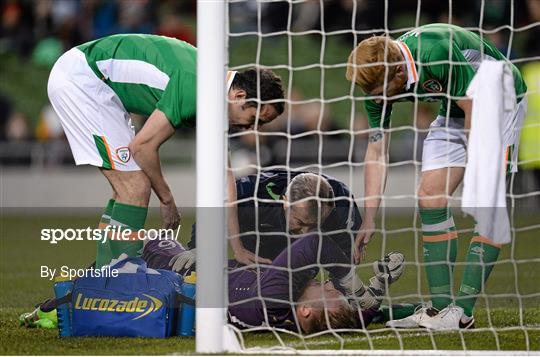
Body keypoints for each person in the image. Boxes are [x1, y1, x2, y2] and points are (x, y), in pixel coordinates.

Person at [345, 23, 527, 330]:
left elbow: (475, 109)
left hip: (499, 100)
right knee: (430, 197)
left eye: (379, 93)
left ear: (399, 74)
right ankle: (441, 311)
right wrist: (369, 219)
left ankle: (463, 313)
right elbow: (377, 152)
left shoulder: (435, 51)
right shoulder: (375, 82)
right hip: (456, 106)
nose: (374, 99)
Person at [47, 34, 285, 268]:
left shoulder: (212, 90)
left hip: (90, 78)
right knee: (136, 186)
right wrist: (167, 199)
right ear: (239, 96)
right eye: (254, 119)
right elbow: (142, 147)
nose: (250, 129)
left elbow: (226, 181)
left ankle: (104, 273)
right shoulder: (199, 89)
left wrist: (238, 247)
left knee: (127, 189)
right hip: (83, 79)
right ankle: (124, 281)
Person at [184, 170, 361, 265]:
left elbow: (346, 262)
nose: (305, 233)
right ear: (285, 203)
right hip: (255, 254)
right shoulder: (250, 194)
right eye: (300, 223)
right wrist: (197, 248)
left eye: (315, 226)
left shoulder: (340, 203)